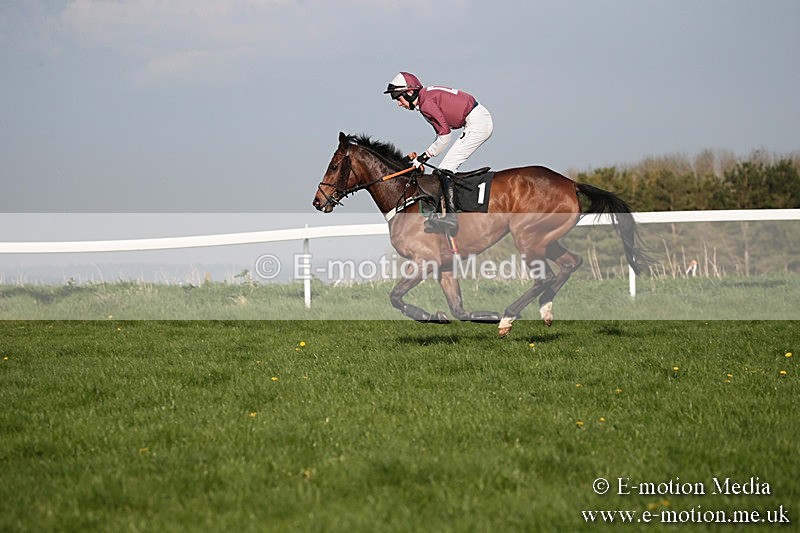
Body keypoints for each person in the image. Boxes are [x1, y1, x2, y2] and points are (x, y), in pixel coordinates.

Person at [384, 72, 493, 235]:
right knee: (444, 169)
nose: (399, 104)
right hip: (476, 119)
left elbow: (445, 137)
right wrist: (423, 157)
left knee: (444, 170)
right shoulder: (425, 98)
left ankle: (451, 217)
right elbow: (441, 136)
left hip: (477, 123)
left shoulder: (426, 104)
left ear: (409, 92)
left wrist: (424, 157)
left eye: (398, 98)